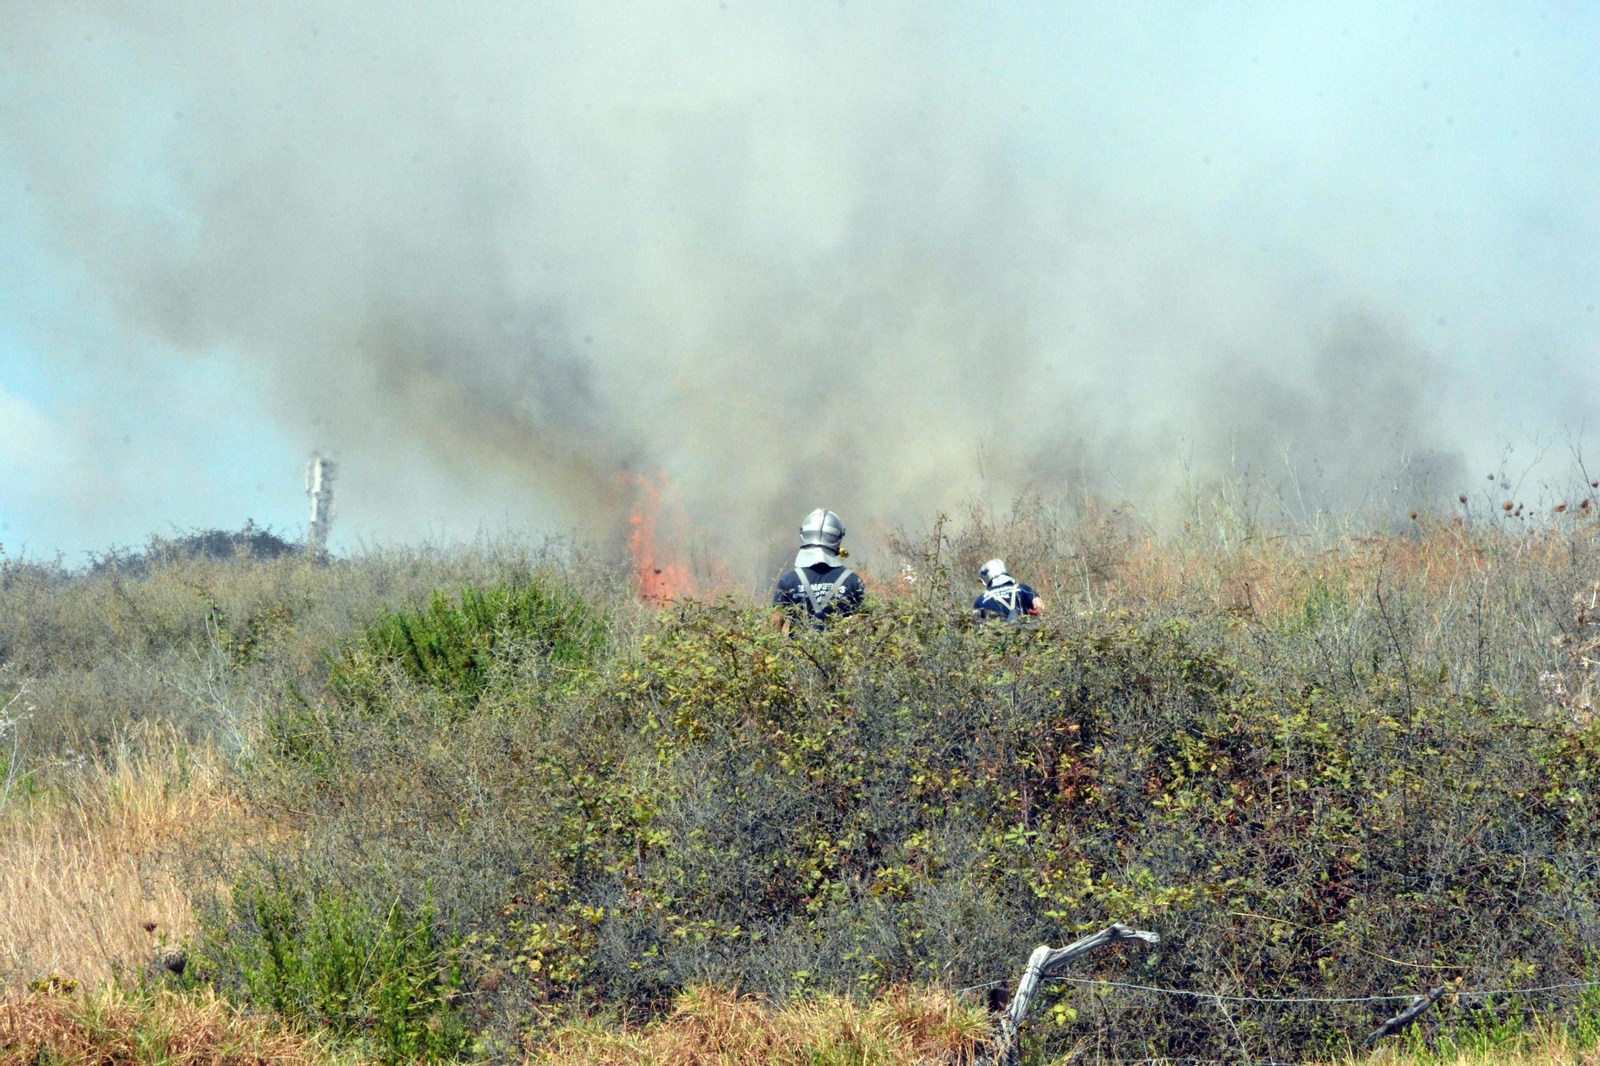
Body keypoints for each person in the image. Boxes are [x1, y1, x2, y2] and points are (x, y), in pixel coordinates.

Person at [772, 508, 866, 629]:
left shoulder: (788, 581)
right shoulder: (853, 581)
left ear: (804, 534)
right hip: (839, 647)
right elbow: (865, 627)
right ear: (838, 538)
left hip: (800, 648)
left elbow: (773, 628)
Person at [974, 558, 1043, 622]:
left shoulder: (981, 600)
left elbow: (976, 623)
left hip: (997, 633)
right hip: (1024, 632)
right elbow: (1039, 605)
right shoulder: (1022, 588)